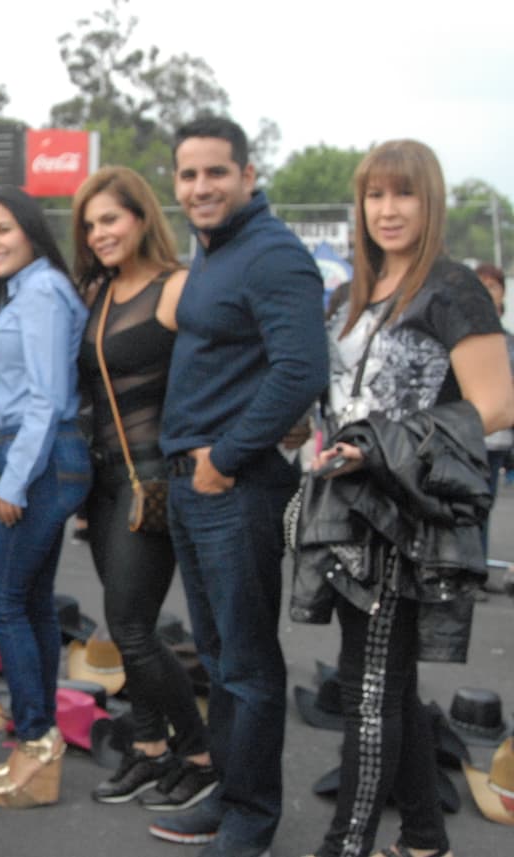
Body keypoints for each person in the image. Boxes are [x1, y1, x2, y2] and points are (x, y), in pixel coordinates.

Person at [298, 140, 514, 857]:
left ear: (431, 202)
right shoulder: (352, 293)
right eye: (375, 195)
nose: (387, 209)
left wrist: (381, 444)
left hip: (407, 515)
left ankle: (346, 844)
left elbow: (496, 404)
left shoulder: (453, 288)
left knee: (368, 690)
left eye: (404, 193)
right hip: (344, 511)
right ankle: (424, 838)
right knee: (386, 681)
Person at [150, 117, 328, 857]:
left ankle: (252, 820)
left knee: (248, 665)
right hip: (197, 488)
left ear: (248, 176)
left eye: (216, 172)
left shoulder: (273, 254)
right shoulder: (215, 251)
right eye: (188, 175)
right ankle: (230, 792)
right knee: (220, 658)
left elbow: (301, 369)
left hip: (236, 488)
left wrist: (224, 456)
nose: (201, 187)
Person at [71, 167, 216, 809]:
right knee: (125, 620)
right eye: (90, 224)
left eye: (110, 219)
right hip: (102, 481)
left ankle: (201, 753)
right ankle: (150, 746)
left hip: (153, 480)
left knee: (131, 626)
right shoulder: (97, 292)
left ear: (141, 217)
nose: (99, 233)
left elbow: (224, 369)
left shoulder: (177, 287)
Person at [0, 185, 91, 810]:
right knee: (32, 604)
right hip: (31, 450)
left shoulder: (42, 291)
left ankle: (38, 740)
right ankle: (40, 742)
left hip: (38, 463)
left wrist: (13, 479)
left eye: (2, 229)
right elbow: (25, 387)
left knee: (0, 601)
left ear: (29, 229)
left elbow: (48, 397)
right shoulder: (29, 289)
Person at [474, 263, 513, 558]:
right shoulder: (457, 333)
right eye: (481, 286)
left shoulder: (508, 342)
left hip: (496, 438)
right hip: (463, 436)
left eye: (493, 286)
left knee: (484, 505)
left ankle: (480, 566)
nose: (488, 293)